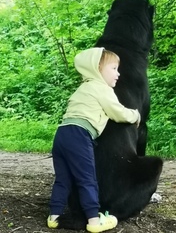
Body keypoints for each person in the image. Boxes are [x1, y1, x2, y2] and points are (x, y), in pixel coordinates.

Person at [47, 47, 141, 233]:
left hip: (62, 134)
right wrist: (135, 115)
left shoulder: (82, 89)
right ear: (97, 69)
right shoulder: (101, 88)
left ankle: (54, 217)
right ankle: (94, 221)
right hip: (80, 135)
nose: (118, 73)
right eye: (114, 68)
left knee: (63, 179)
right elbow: (118, 112)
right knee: (87, 179)